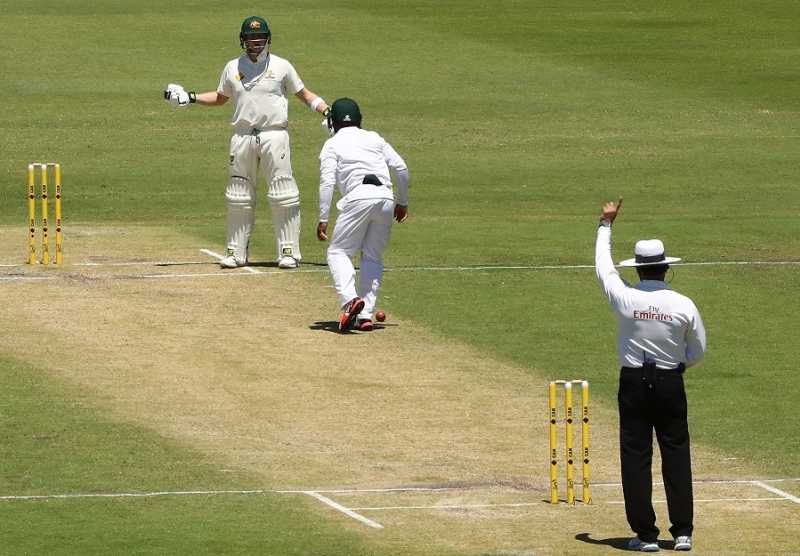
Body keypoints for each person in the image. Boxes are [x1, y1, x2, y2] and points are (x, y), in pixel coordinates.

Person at [164, 15, 330, 269]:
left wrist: (328, 112)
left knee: (283, 193)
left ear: (268, 39)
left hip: (274, 134)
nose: (255, 42)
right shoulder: (232, 67)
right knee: (238, 195)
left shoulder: (282, 66)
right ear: (243, 40)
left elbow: (304, 95)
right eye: (251, 38)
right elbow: (221, 98)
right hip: (242, 136)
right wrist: (190, 97)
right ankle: (235, 252)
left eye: (260, 37)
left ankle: (288, 252)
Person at [595, 199, 706, 553]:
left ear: (640, 270)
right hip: (671, 382)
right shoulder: (684, 303)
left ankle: (646, 535)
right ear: (664, 269)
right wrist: (677, 366)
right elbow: (698, 349)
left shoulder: (625, 297)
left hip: (633, 383)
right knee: (676, 452)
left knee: (636, 455)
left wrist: (605, 224)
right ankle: (683, 532)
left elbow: (603, 268)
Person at [316, 98, 409, 332]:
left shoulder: (332, 144)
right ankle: (365, 314)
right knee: (372, 256)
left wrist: (323, 218)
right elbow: (401, 168)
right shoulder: (374, 138)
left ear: (332, 123)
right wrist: (402, 202)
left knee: (338, 252)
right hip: (385, 198)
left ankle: (350, 300)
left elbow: (327, 182)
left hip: (358, 198)